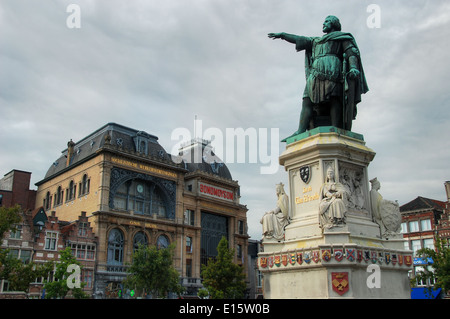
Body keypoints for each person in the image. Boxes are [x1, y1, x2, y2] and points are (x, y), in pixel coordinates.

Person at [268, 15, 368, 139]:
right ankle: (301, 129)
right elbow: (299, 39)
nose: (324, 24)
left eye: (327, 21)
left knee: (334, 98)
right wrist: (283, 35)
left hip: (333, 70)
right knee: (307, 100)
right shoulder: (315, 41)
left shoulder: (342, 37)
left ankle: (336, 127)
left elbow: (351, 52)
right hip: (315, 73)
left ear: (334, 23)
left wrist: (353, 67)